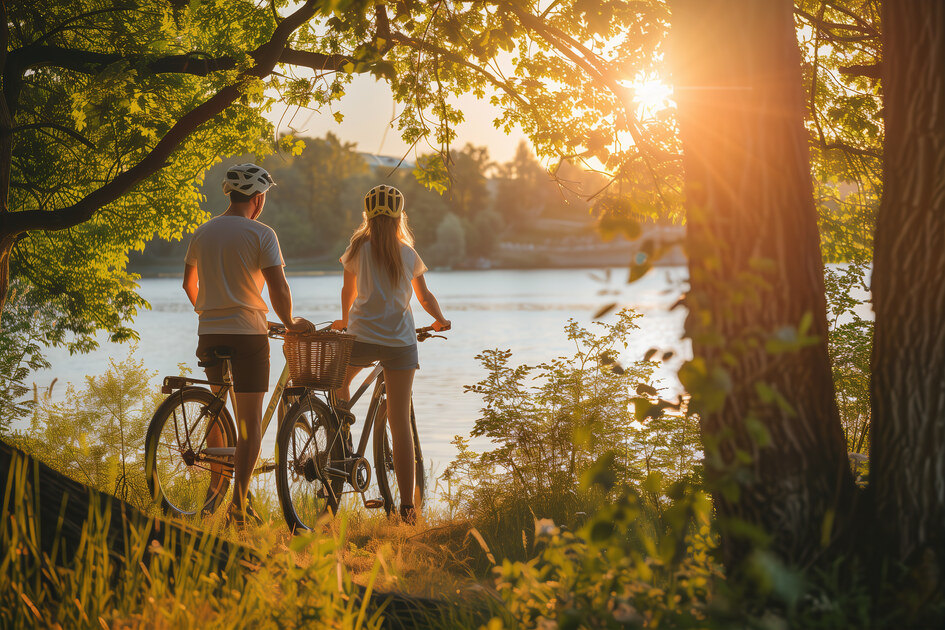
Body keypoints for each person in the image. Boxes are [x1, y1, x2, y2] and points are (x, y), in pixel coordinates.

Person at [183, 163, 315, 526]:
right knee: (249, 422)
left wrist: (208, 310)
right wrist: (289, 322)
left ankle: (216, 491)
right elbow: (278, 288)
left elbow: (188, 284)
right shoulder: (262, 233)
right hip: (248, 335)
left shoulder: (203, 232)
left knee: (216, 410)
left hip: (209, 332)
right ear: (258, 199)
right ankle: (238, 506)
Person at [332, 184, 450, 524]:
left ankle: (342, 432)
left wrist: (344, 321)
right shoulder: (408, 253)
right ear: (400, 216)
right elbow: (424, 297)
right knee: (400, 424)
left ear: (367, 216)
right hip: (400, 343)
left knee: (340, 383)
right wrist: (440, 320)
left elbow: (347, 290)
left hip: (361, 338)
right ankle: (409, 509)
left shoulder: (357, 248)